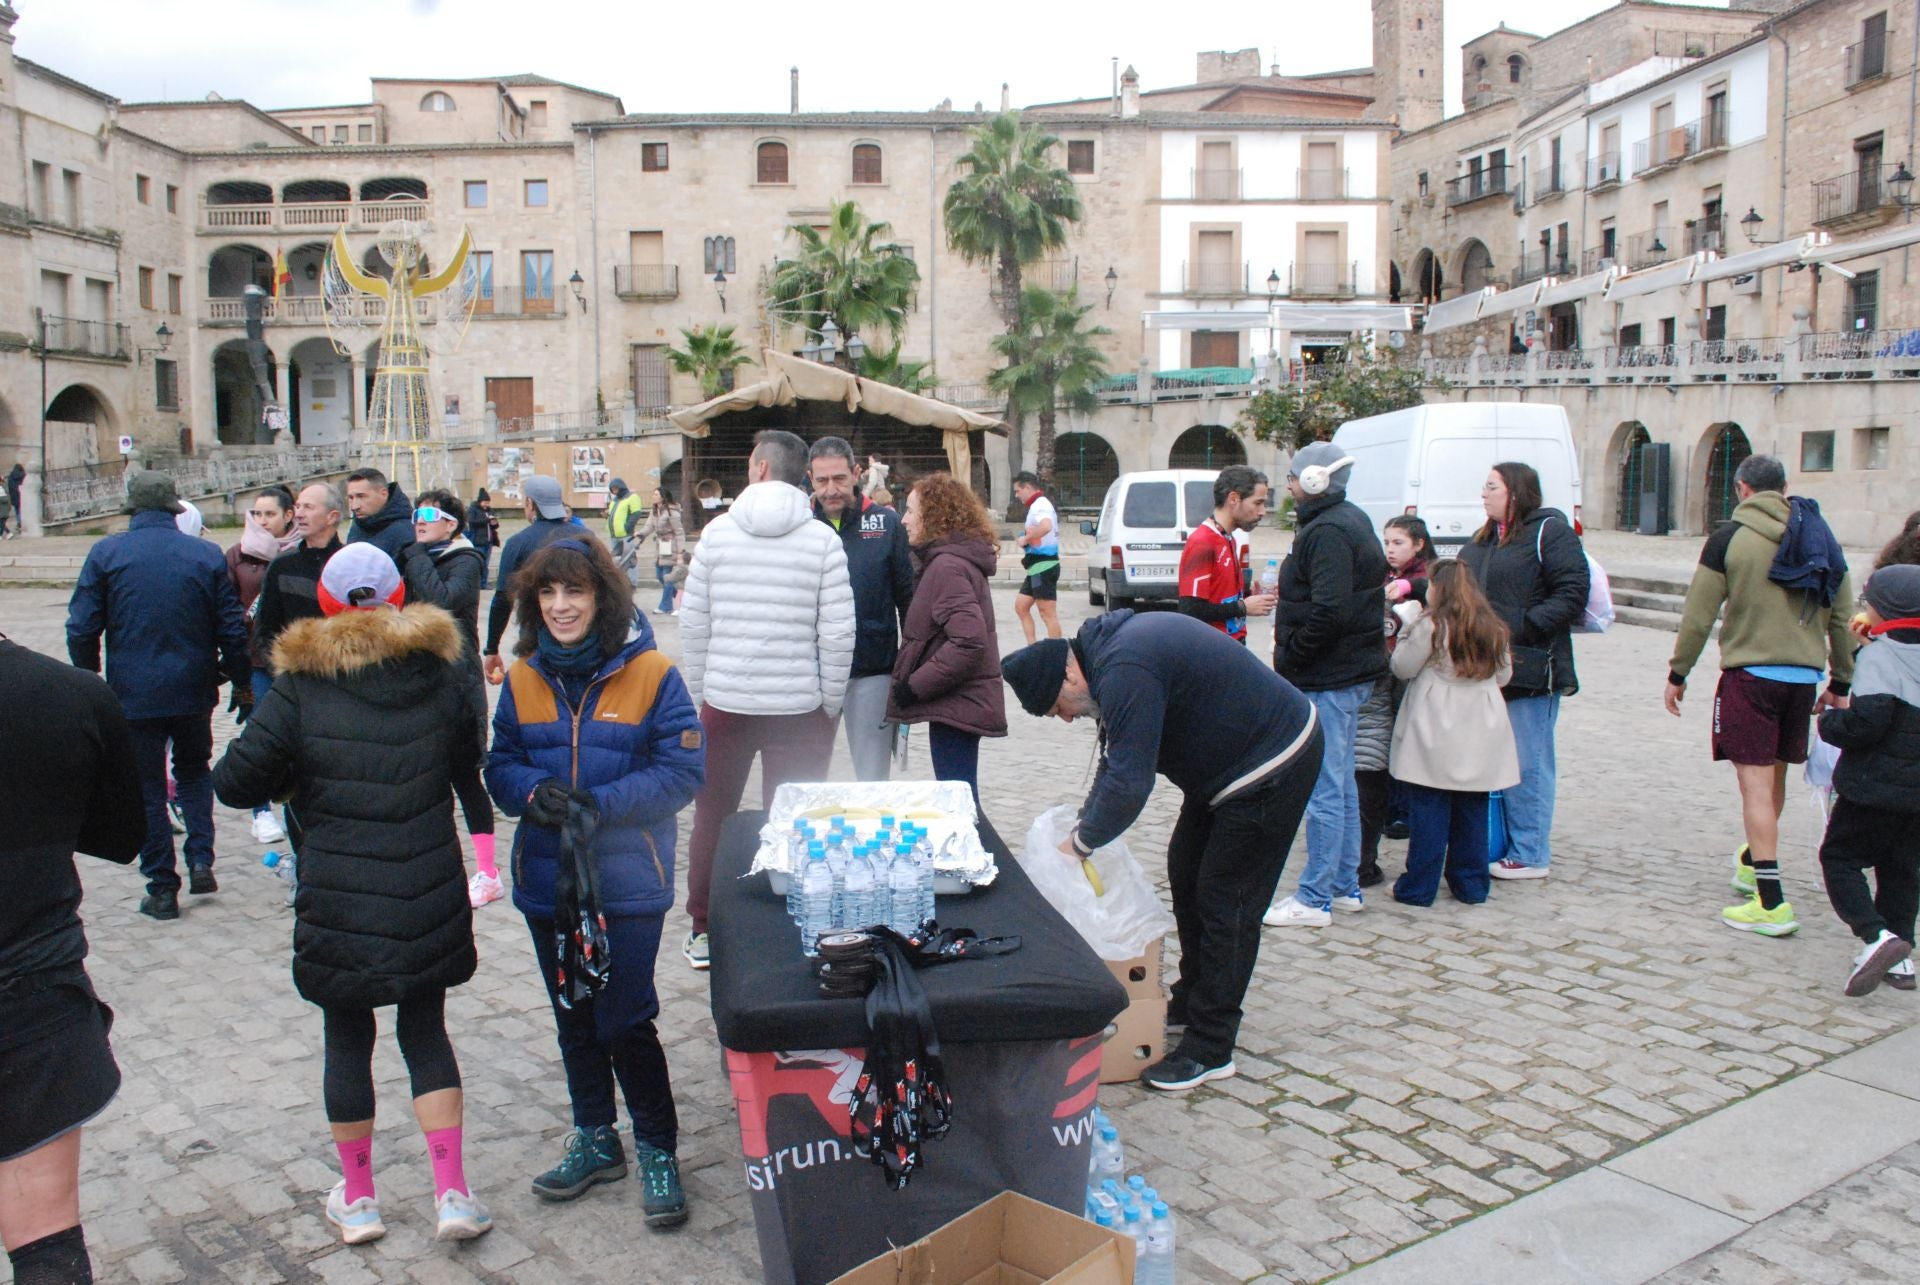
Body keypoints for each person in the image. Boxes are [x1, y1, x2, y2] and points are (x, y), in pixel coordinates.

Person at [212, 544, 492, 1246]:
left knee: (347, 1035)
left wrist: (295, 779)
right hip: (425, 882)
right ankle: (452, 1192)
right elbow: (468, 761)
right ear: (400, 597)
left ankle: (360, 1199)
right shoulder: (441, 673)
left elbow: (233, 781)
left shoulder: (302, 687)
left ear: (326, 607)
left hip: (338, 890)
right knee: (426, 1030)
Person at [1001, 611, 1320, 1092]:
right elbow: (1116, 763)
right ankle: (1192, 998)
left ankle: (1211, 1047)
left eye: (1057, 708)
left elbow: (1131, 782)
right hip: (1227, 773)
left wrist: (1080, 845)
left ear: (1069, 674)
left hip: (1272, 761)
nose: (1066, 719)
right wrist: (1085, 826)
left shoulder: (1125, 667)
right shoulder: (1108, 663)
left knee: (1226, 900)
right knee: (1185, 869)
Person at [484, 539, 704, 1226]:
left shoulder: (653, 673)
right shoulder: (522, 677)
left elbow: (681, 771)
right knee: (573, 1015)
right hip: (549, 877)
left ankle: (658, 1146)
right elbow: (501, 764)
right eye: (546, 595)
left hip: (629, 877)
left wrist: (600, 804)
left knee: (623, 1017)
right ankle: (596, 1135)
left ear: (601, 597)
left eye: (573, 592)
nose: (559, 607)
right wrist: (536, 791)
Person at [679, 429, 854, 970]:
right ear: (802, 476)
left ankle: (704, 928)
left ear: (757, 468)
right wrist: (828, 703)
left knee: (713, 814)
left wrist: (703, 691)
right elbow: (839, 635)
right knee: (796, 818)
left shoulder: (716, 534)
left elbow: (694, 623)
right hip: (800, 708)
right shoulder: (823, 540)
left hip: (727, 703)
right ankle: (792, 916)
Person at [0, 635, 144, 1285]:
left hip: (35, 996)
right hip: (34, 997)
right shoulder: (73, 695)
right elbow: (121, 835)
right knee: (47, 1249)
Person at [1666, 454, 1853, 935]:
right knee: (1774, 781)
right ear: (1783, 487)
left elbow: (1699, 613)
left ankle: (1771, 902)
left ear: (1741, 489)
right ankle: (1752, 861)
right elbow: (1841, 610)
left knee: (1754, 788)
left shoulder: (1729, 538)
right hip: (1801, 678)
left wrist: (1679, 671)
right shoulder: (1818, 533)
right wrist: (1841, 680)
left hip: (1750, 676)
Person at [66, 470, 249, 921]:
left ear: (132, 508)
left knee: (147, 785)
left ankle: (161, 886)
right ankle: (201, 857)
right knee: (193, 770)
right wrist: (236, 677)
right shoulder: (204, 555)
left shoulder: (107, 553)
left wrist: (90, 681)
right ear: (173, 509)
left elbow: (81, 627)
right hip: (192, 686)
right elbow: (232, 628)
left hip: (132, 691)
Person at [1263, 443, 1388, 929]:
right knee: (1340, 783)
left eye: (1293, 478)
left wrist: (1294, 651)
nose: (1289, 487)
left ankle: (1316, 897)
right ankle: (1343, 884)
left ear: (1314, 480)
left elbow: (1330, 610)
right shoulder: (1344, 520)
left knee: (1325, 788)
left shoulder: (1331, 530)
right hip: (1342, 673)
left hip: (1328, 676)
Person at [1460, 461, 1590, 883]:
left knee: (1528, 762)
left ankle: (1531, 851)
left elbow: (1572, 593)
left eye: (1492, 486)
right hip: (1482, 666)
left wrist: (1520, 624)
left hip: (1531, 668)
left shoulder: (1548, 532)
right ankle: (1493, 840)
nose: (1483, 493)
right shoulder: (1482, 539)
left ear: (1515, 492)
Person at [1386, 560, 1517, 908]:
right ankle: (1471, 884)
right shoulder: (1493, 627)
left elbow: (1402, 666)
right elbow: (1503, 676)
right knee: (1472, 809)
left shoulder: (1431, 625)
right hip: (1481, 722)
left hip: (1436, 721)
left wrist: (1406, 627)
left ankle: (1419, 886)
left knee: (1429, 808)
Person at [1817, 564, 1920, 995]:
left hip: (1873, 787)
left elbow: (1867, 724)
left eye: (1870, 601)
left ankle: (1877, 936)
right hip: (1916, 796)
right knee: (1901, 870)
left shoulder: (1882, 656)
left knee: (1839, 858)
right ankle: (1902, 962)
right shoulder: (1890, 650)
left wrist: (1829, 724)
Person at [398, 489, 502, 908]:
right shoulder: (416, 556)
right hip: (419, 686)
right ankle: (434, 867)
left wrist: (416, 556)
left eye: (428, 515)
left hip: (457, 689)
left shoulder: (465, 559)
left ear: (451, 524)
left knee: (465, 779)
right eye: (415, 514)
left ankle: (489, 873)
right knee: (425, 780)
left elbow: (441, 602)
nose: (419, 521)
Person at [889, 474, 1006, 803]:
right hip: (958, 703)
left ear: (934, 516)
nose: (904, 519)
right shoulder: (948, 561)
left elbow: (969, 640)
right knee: (960, 797)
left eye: (911, 511)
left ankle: (980, 855)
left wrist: (915, 686)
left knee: (961, 803)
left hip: (958, 705)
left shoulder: (947, 566)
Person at [811, 437, 915, 782]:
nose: (831, 489)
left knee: (872, 779)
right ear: (809, 478)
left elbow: (908, 599)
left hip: (872, 670)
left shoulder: (886, 523)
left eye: (839, 478)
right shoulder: (798, 526)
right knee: (803, 776)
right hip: (810, 673)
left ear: (857, 473)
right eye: (821, 480)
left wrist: (908, 666)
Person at [1356, 515, 1436, 886]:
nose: (1390, 549)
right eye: (1386, 542)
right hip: (1383, 671)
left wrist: (1410, 587)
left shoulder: (1425, 578)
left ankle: (1399, 810)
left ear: (1418, 544)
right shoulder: (1383, 577)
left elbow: (1431, 587)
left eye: (1398, 542)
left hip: (1408, 672)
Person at [225, 486, 301, 845]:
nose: (262, 521)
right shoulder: (238, 556)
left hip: (297, 660)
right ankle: (260, 812)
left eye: (269, 514)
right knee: (260, 732)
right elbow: (226, 607)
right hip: (256, 660)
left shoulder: (304, 551)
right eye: (257, 514)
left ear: (289, 515)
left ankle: (296, 800)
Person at [482, 476, 591, 686]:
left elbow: (503, 599)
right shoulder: (585, 536)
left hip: (535, 636)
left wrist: (492, 648)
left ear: (530, 504)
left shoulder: (518, 543)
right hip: (582, 635)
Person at [1177, 465, 1275, 642]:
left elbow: (1220, 597)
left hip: (1231, 643)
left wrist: (1249, 594)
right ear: (1233, 499)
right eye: (1257, 503)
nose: (1263, 511)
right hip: (1211, 647)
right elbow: (1190, 609)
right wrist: (1242, 607)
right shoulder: (1203, 541)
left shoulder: (1228, 537)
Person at [1012, 471, 1062, 645]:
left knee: (1047, 614)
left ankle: (1056, 653)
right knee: (1021, 607)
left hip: (1044, 566)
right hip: (1036, 567)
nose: (1017, 496)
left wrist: (1025, 539)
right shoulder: (1037, 505)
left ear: (1027, 487)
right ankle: (1032, 648)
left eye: (1018, 491)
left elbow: (1046, 526)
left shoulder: (1040, 505)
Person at [343, 468, 414, 559]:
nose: (354, 507)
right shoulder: (358, 525)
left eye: (361, 496)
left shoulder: (406, 532)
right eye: (351, 498)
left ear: (383, 494)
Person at [639, 486, 688, 616]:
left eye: (656, 494)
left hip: (671, 546)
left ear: (663, 497)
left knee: (668, 578)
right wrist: (640, 534)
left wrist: (680, 552)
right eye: (653, 494)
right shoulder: (654, 511)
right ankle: (682, 597)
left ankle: (665, 606)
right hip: (660, 547)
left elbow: (679, 532)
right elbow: (649, 526)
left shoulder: (672, 512)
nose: (653, 497)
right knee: (660, 575)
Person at [606, 478, 646, 584]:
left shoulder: (632, 497)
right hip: (614, 535)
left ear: (621, 487)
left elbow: (636, 514)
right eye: (612, 489)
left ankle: (632, 582)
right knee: (617, 559)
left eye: (615, 488)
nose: (614, 491)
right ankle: (621, 582)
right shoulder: (615, 500)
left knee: (630, 559)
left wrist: (627, 528)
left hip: (625, 534)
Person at [467, 488, 501, 588]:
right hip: (478, 541)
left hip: (489, 541)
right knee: (478, 563)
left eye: (488, 502)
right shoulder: (473, 510)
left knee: (486, 564)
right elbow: (472, 522)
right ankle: (476, 583)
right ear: (480, 501)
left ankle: (483, 583)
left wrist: (494, 523)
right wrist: (486, 520)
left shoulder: (490, 511)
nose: (487, 504)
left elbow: (494, 526)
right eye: (485, 502)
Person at [5, 461, 23, 537]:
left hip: (14, 496)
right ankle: (21, 523)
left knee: (17, 511)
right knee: (22, 510)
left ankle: (19, 522)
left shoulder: (10, 476)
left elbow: (9, 487)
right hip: (21, 495)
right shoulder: (23, 475)